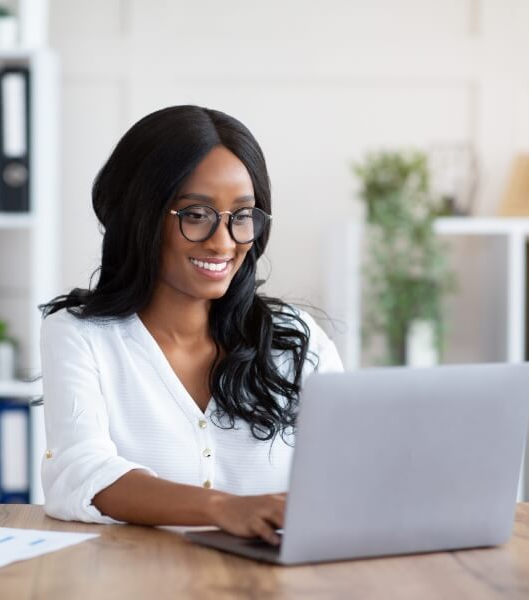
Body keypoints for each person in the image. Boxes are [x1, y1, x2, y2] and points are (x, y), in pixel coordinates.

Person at [39, 105, 343, 545]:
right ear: (140, 217)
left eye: (242, 216)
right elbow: (79, 473)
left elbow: (350, 472)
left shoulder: (296, 339)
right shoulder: (80, 336)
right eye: (196, 215)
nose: (223, 242)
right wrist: (224, 508)